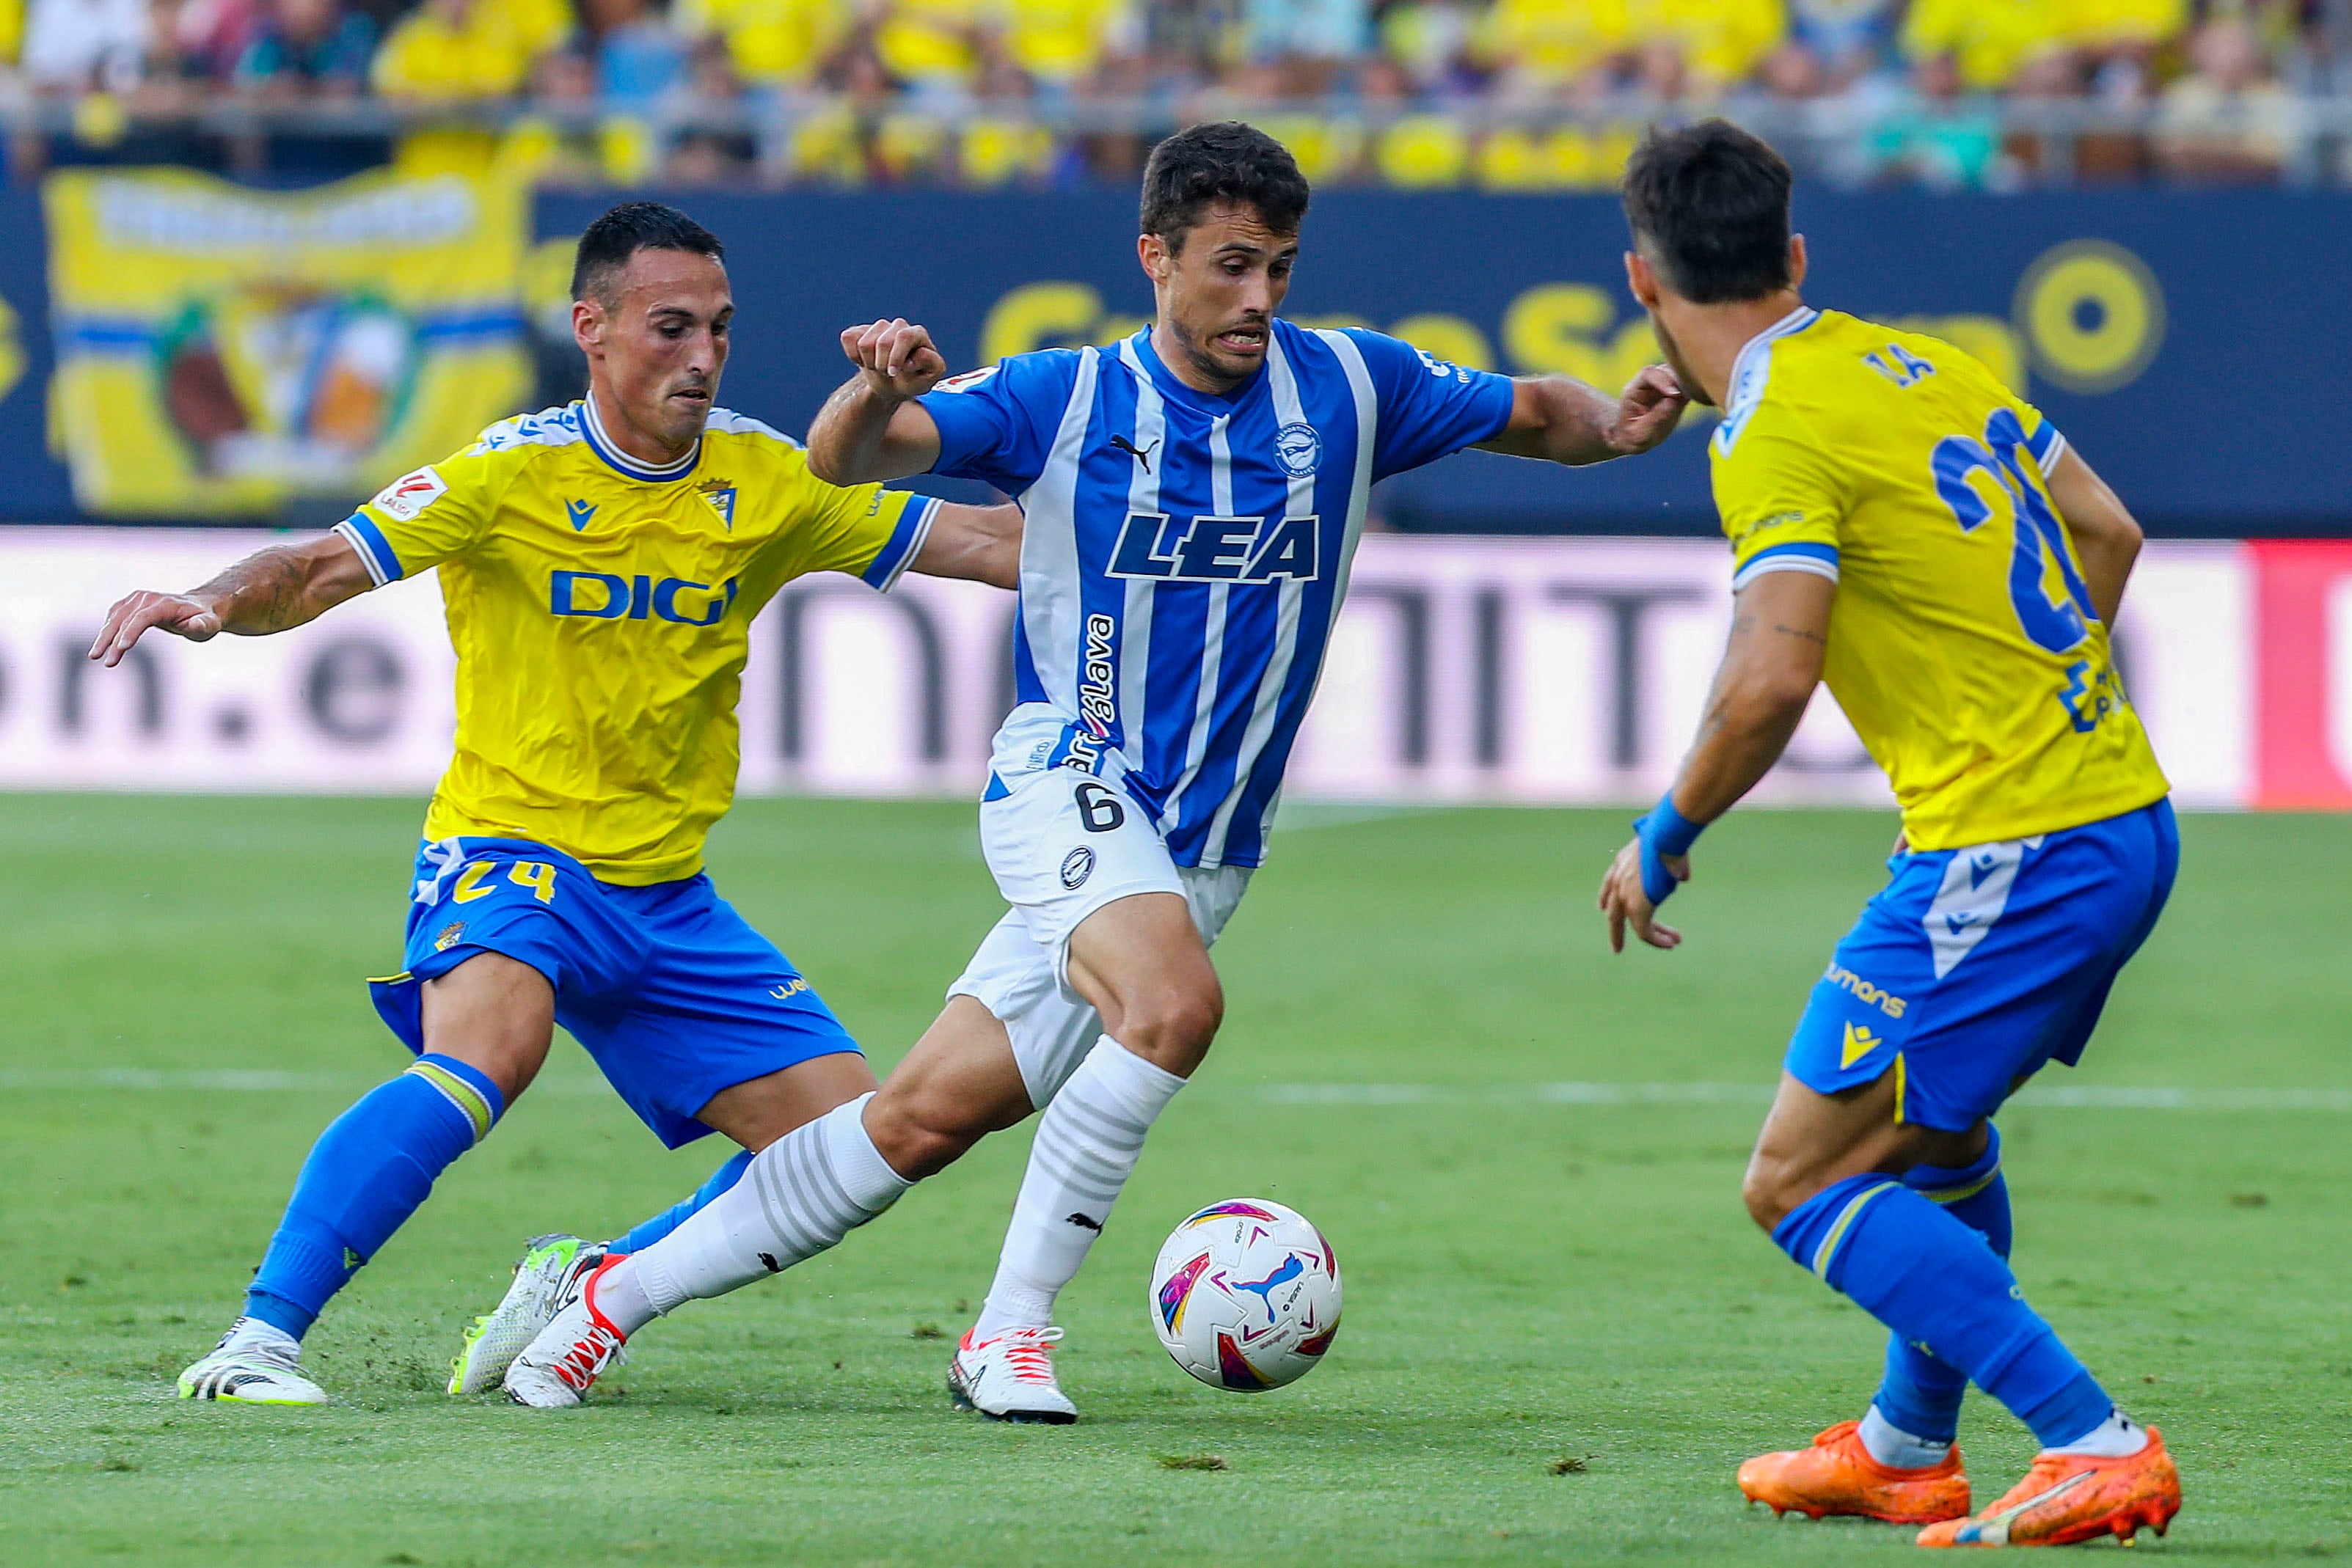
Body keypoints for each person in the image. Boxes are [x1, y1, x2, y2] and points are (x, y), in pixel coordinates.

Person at [494, 119, 1688, 1417]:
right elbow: (840, 466)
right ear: (1155, 258)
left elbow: (1529, 413)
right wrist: (879, 387)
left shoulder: (1351, 383)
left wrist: (1614, 430)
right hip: (1067, 767)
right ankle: (1009, 1331)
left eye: (1278, 267)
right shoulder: (1064, 398)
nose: (1257, 298)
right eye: (1230, 265)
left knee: (914, 1124)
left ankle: (606, 1299)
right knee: (1174, 1008)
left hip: (1205, 843)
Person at [88, 200, 1023, 1406]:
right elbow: (318, 566)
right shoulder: (507, 474)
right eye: (670, 327)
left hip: (666, 893)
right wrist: (213, 598)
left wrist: (1140, 492)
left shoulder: (771, 480)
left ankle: (597, 1281)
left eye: (721, 331)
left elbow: (991, 548)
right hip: (509, 849)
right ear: (592, 327)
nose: (701, 357)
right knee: (489, 1054)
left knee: (859, 1141)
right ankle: (257, 1342)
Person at [1592, 121, 2181, 1547]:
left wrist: (1666, 832)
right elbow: (2106, 530)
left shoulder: (1772, 431)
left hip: (2015, 844)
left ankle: (2093, 1440)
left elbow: (1772, 675)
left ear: (1640, 281)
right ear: (1793, 257)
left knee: (1795, 1177)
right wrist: (2033, 701)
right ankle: (1906, 1445)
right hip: (2112, 814)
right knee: (1931, 1137)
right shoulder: (1917, 363)